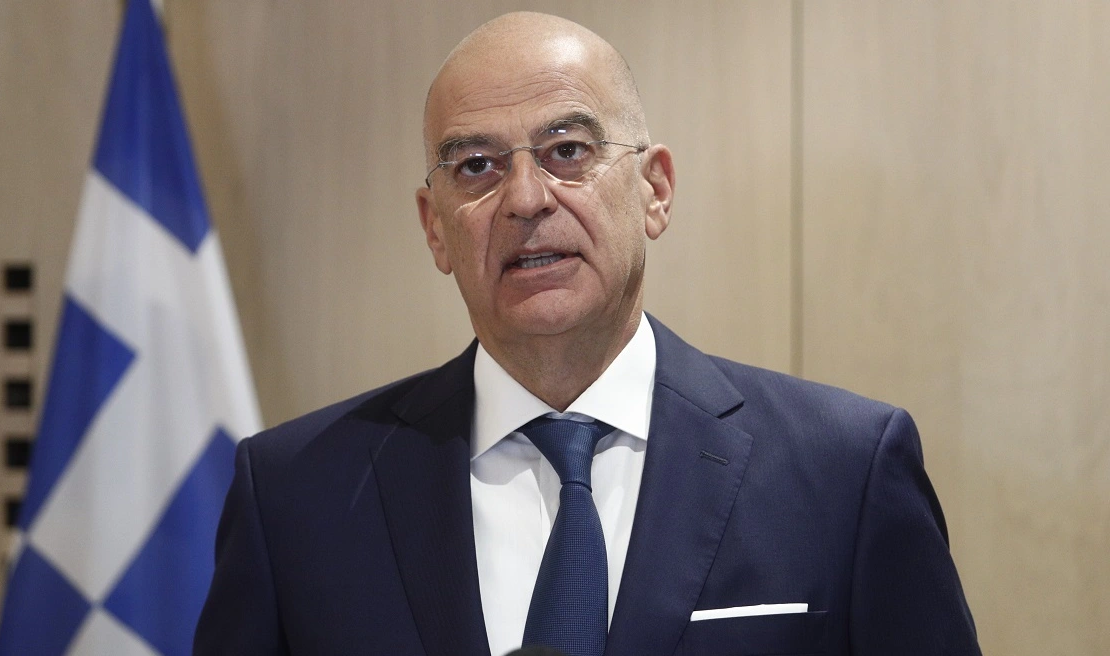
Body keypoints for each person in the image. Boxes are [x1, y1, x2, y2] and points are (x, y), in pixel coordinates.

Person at [194, 11, 981, 656]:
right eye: (476, 166)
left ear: (655, 190)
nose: (525, 199)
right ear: (435, 228)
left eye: (567, 151)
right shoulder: (296, 497)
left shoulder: (844, 472)